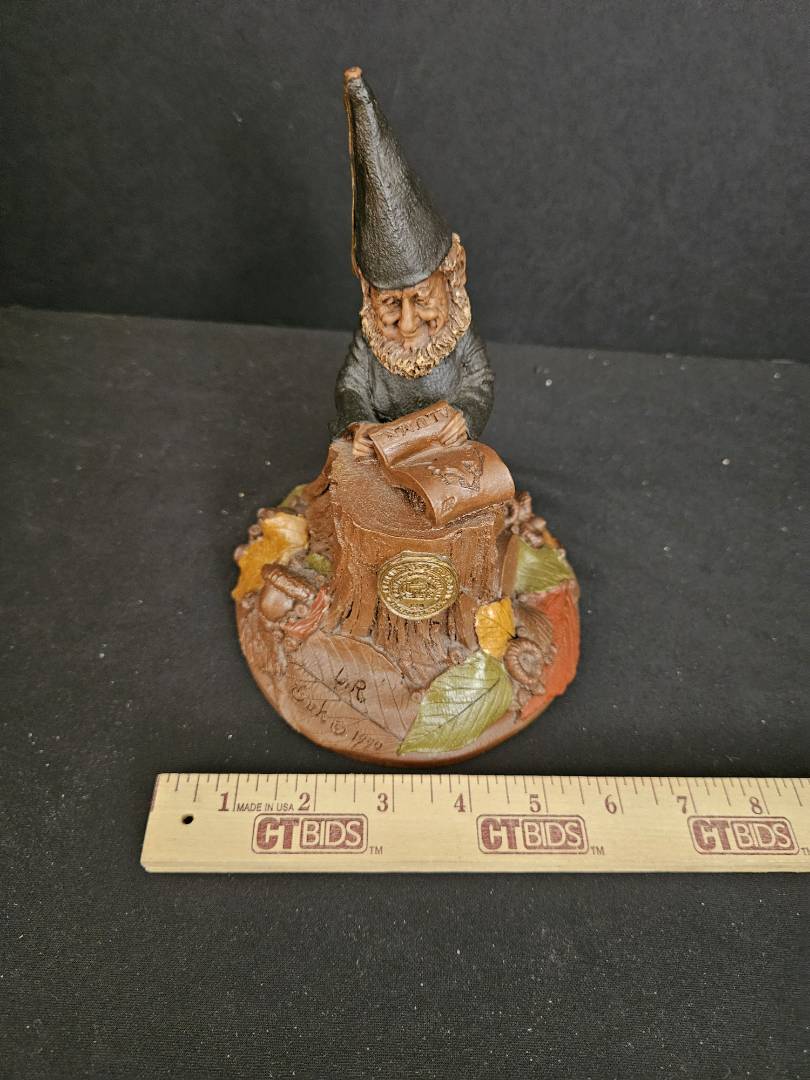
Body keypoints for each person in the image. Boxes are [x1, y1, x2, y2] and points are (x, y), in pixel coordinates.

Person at [333, 67, 494, 459]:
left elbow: (480, 382)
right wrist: (361, 425)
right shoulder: (368, 342)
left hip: (445, 452)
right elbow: (351, 387)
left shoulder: (460, 338)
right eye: (390, 303)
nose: (407, 324)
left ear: (453, 275)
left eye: (421, 299)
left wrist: (465, 414)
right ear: (368, 294)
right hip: (383, 453)